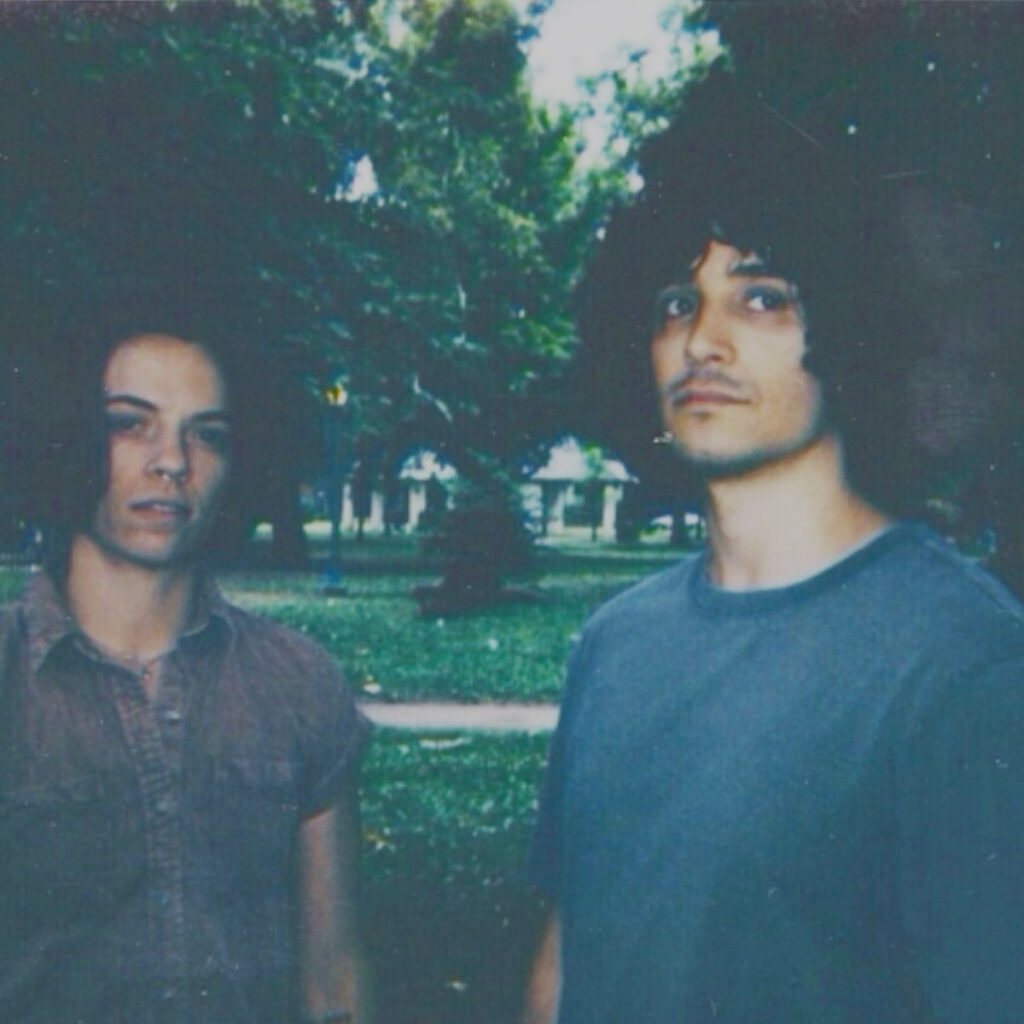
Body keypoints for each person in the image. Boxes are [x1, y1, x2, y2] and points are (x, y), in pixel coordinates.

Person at [523, 83, 1024, 1024]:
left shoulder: (968, 665)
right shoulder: (614, 644)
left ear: (854, 323)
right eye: (677, 302)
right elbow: (569, 952)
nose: (701, 341)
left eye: (760, 297)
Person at [0, 301, 374, 1024]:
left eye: (207, 434)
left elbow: (333, 981)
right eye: (129, 423)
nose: (171, 461)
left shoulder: (298, 685)